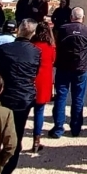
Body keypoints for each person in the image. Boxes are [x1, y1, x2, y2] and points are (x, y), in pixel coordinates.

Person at [0, 20, 41, 174]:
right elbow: (35, 72)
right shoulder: (35, 52)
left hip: (4, 96)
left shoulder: (4, 49)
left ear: (18, 30)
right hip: (23, 98)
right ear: (32, 34)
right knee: (15, 137)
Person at [51, 5, 87, 138]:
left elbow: (58, 42)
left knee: (61, 97)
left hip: (63, 67)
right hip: (81, 67)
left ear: (71, 17)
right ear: (83, 18)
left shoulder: (63, 29)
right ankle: (76, 128)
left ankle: (58, 128)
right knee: (78, 98)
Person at [30, 20, 56, 154]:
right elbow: (53, 60)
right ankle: (36, 140)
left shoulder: (32, 45)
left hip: (30, 79)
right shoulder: (50, 47)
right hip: (44, 80)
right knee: (39, 112)